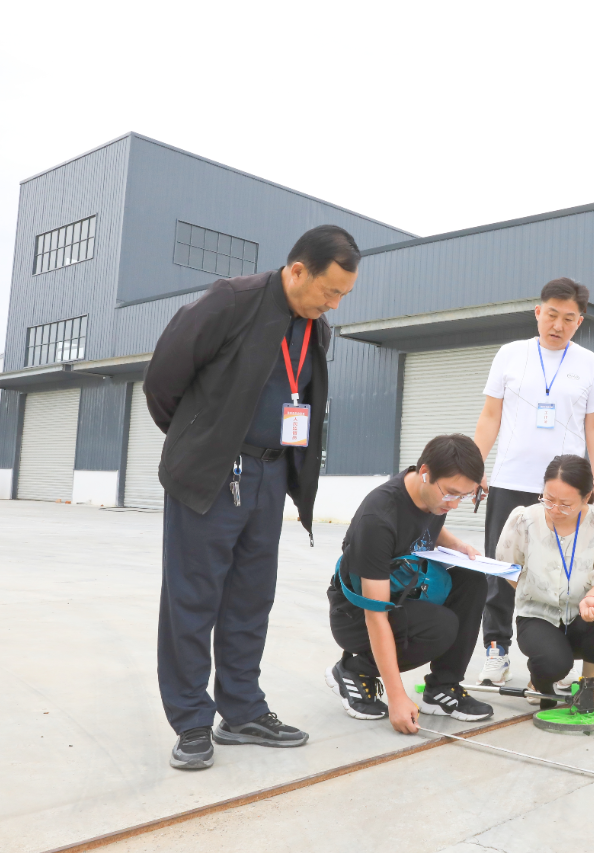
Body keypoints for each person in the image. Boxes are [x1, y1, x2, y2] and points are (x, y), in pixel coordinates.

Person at [144, 225, 360, 770]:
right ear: (297, 271)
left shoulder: (314, 328)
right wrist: (202, 442)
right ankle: (191, 720)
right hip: (214, 473)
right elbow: (163, 381)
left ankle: (241, 710)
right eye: (329, 291)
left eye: (342, 295)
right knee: (193, 599)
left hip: (269, 474)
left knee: (250, 599)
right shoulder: (231, 302)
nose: (333, 304)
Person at [473, 278, 594, 686]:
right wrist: (475, 465)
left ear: (580, 321)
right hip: (511, 480)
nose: (558, 325)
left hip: (566, 489)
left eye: (569, 318)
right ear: (538, 312)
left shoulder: (591, 364)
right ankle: (496, 650)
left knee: (566, 570)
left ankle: (558, 654)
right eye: (551, 315)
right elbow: (490, 416)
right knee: (501, 570)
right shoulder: (510, 355)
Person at [326, 434, 495, 733]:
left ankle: (442, 688)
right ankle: (354, 670)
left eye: (464, 496)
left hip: (404, 589)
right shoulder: (378, 518)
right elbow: (375, 614)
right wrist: (397, 698)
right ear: (426, 473)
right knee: (440, 626)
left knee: (471, 580)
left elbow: (425, 526)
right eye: (451, 494)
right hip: (355, 615)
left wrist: (457, 545)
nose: (455, 505)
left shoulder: (431, 496)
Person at [494, 455, 594, 710]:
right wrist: (531, 591)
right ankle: (539, 683)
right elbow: (508, 567)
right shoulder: (525, 520)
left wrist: (591, 599)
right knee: (553, 663)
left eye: (565, 505)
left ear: (586, 497)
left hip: (579, 616)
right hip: (537, 616)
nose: (554, 510)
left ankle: (591, 687)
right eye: (548, 499)